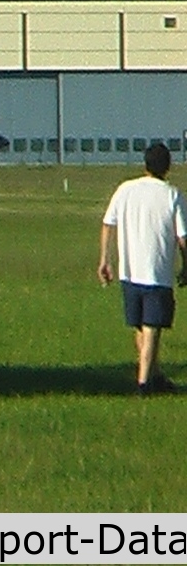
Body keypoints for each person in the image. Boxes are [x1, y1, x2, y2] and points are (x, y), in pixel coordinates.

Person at [98, 141, 187, 393]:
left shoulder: (125, 189)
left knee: (141, 326)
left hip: (130, 271)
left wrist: (105, 259)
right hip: (157, 272)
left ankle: (154, 375)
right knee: (152, 329)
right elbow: (183, 237)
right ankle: (144, 383)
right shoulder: (172, 194)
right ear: (168, 167)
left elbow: (108, 223)